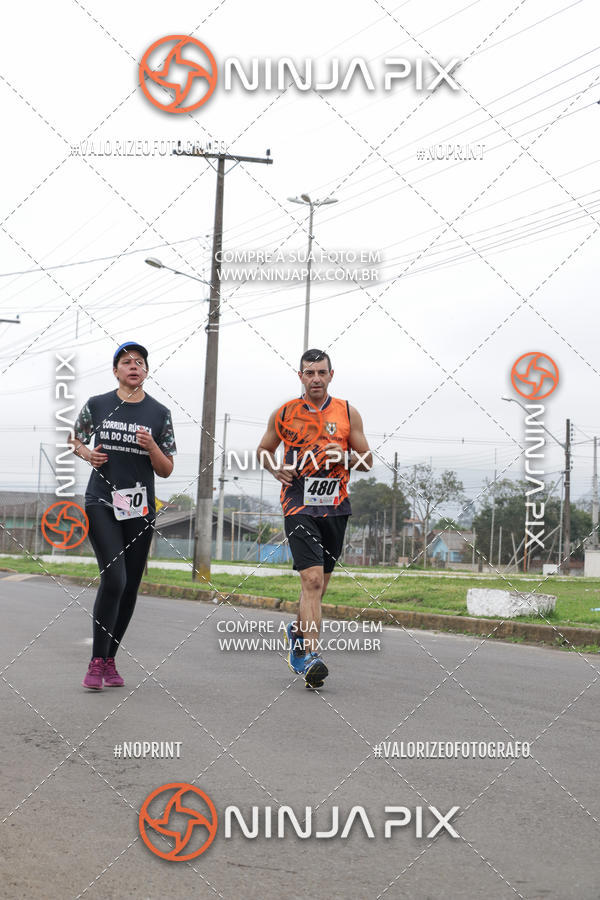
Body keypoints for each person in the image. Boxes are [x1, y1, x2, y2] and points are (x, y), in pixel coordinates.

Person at [257, 348, 372, 688]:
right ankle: (311, 656)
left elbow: (366, 461)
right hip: (298, 503)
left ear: (331, 375)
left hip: (336, 505)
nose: (316, 379)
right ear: (301, 377)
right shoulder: (285, 413)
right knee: (312, 581)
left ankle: (297, 634)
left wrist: (347, 456)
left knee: (319, 589)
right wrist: (276, 468)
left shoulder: (348, 412)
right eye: (310, 373)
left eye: (322, 372)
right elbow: (264, 450)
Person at [69, 342, 176, 690]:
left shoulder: (158, 413)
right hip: (101, 500)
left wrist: (152, 447)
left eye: (140, 362)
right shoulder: (98, 404)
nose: (134, 367)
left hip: (139, 507)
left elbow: (167, 470)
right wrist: (87, 453)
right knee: (113, 579)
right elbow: (75, 437)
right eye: (126, 362)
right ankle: (96, 661)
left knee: (130, 585)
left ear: (146, 371)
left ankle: (110, 660)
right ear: (116, 370)